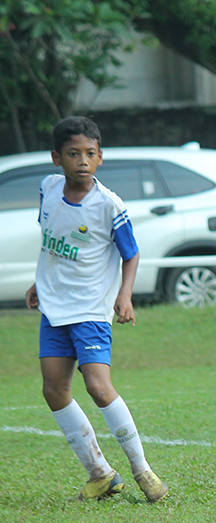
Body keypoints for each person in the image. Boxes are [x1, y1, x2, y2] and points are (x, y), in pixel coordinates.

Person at [25, 116, 168, 503]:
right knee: (54, 389)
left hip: (90, 309)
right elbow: (53, 241)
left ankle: (143, 471)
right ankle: (100, 474)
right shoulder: (48, 189)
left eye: (90, 154)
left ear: (100, 158)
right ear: (57, 158)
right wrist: (41, 282)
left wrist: (125, 296)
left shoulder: (108, 206)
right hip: (54, 308)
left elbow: (131, 254)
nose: (82, 161)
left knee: (98, 387)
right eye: (74, 154)